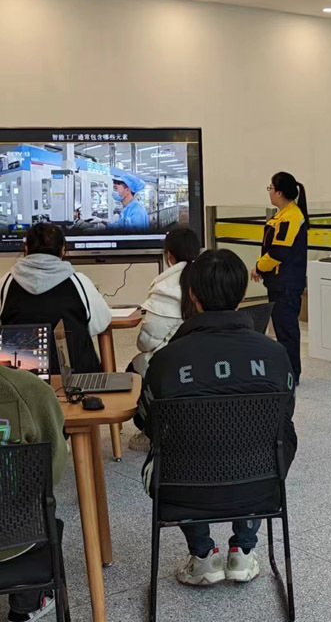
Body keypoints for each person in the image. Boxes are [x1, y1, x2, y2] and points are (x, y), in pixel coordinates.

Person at [134, 249, 297, 586]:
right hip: (261, 484)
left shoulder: (166, 361)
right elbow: (285, 417)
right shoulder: (275, 355)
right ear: (241, 293)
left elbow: (146, 423)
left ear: (192, 294)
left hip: (182, 489)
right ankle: (244, 551)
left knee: (171, 449)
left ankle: (203, 556)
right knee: (274, 436)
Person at [0, 365, 68, 622]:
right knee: (40, 504)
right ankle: (25, 606)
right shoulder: (29, 389)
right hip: (16, 537)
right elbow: (51, 472)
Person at [0, 224, 112, 373]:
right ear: (63, 250)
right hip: (77, 378)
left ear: (26, 249)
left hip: (20, 380)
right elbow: (101, 322)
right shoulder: (79, 282)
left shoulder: (6, 283)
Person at [252, 172, 308, 385]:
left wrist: (259, 267)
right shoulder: (284, 215)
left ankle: (291, 373)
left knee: (287, 330)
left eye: (271, 188)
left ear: (280, 193)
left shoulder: (291, 217)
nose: (269, 192)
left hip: (286, 283)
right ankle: (286, 371)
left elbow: (279, 251)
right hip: (280, 281)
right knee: (283, 328)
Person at [130, 228, 201, 376]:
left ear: (169, 255)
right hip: (206, 358)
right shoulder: (209, 279)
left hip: (172, 365)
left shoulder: (163, 289)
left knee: (132, 371)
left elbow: (146, 342)